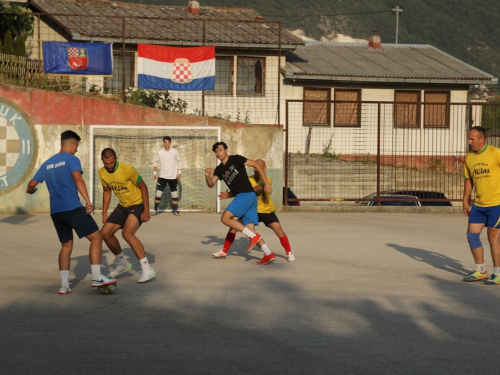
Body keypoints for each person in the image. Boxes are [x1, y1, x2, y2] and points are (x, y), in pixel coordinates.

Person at [25, 130, 116, 295]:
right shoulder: (72, 159)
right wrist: (88, 201)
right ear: (72, 144)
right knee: (97, 237)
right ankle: (96, 276)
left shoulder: (47, 164)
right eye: (77, 147)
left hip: (56, 212)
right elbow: (78, 179)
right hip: (72, 207)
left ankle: (64, 285)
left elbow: (31, 185)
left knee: (66, 246)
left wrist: (32, 191)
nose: (76, 150)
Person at [205, 142, 276, 265]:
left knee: (225, 218)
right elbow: (211, 184)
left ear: (226, 150)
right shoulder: (219, 169)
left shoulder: (236, 159)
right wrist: (207, 176)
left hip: (246, 195)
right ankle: (268, 253)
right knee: (250, 230)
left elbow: (256, 165)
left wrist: (267, 183)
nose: (218, 153)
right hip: (248, 198)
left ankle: (251, 238)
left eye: (220, 150)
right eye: (216, 151)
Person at [213, 159, 295, 262]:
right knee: (233, 228)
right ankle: (224, 251)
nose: (256, 169)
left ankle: (289, 252)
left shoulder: (267, 180)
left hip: (266, 210)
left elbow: (259, 188)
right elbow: (240, 191)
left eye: (259, 167)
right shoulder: (248, 179)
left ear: (264, 168)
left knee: (278, 230)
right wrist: (227, 195)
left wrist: (241, 191)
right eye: (255, 167)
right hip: (251, 208)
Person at [99, 148, 156, 283]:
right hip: (123, 205)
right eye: (106, 163)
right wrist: (104, 212)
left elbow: (143, 187)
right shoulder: (102, 173)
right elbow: (107, 191)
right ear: (102, 161)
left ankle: (147, 269)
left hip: (138, 204)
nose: (109, 166)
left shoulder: (127, 169)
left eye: (111, 163)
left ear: (116, 159)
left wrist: (146, 210)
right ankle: (123, 263)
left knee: (127, 234)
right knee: (105, 233)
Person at [463, 126, 500, 284]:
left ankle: (498, 273)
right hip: (479, 205)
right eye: (469, 139)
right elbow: (469, 179)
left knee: (493, 239)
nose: (469, 142)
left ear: (481, 139)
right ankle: (481, 270)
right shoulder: (469, 157)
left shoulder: (495, 153)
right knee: (471, 236)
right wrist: (465, 199)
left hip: (496, 204)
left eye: (472, 139)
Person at [152, 136, 182, 216]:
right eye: (165, 142)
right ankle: (155, 210)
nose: (167, 144)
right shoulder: (160, 152)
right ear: (163, 143)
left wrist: (179, 172)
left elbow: (179, 162)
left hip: (173, 176)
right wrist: (155, 173)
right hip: (162, 176)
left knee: (174, 194)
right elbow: (156, 162)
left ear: (170, 143)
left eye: (168, 142)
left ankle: (175, 210)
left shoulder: (175, 151)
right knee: (158, 193)